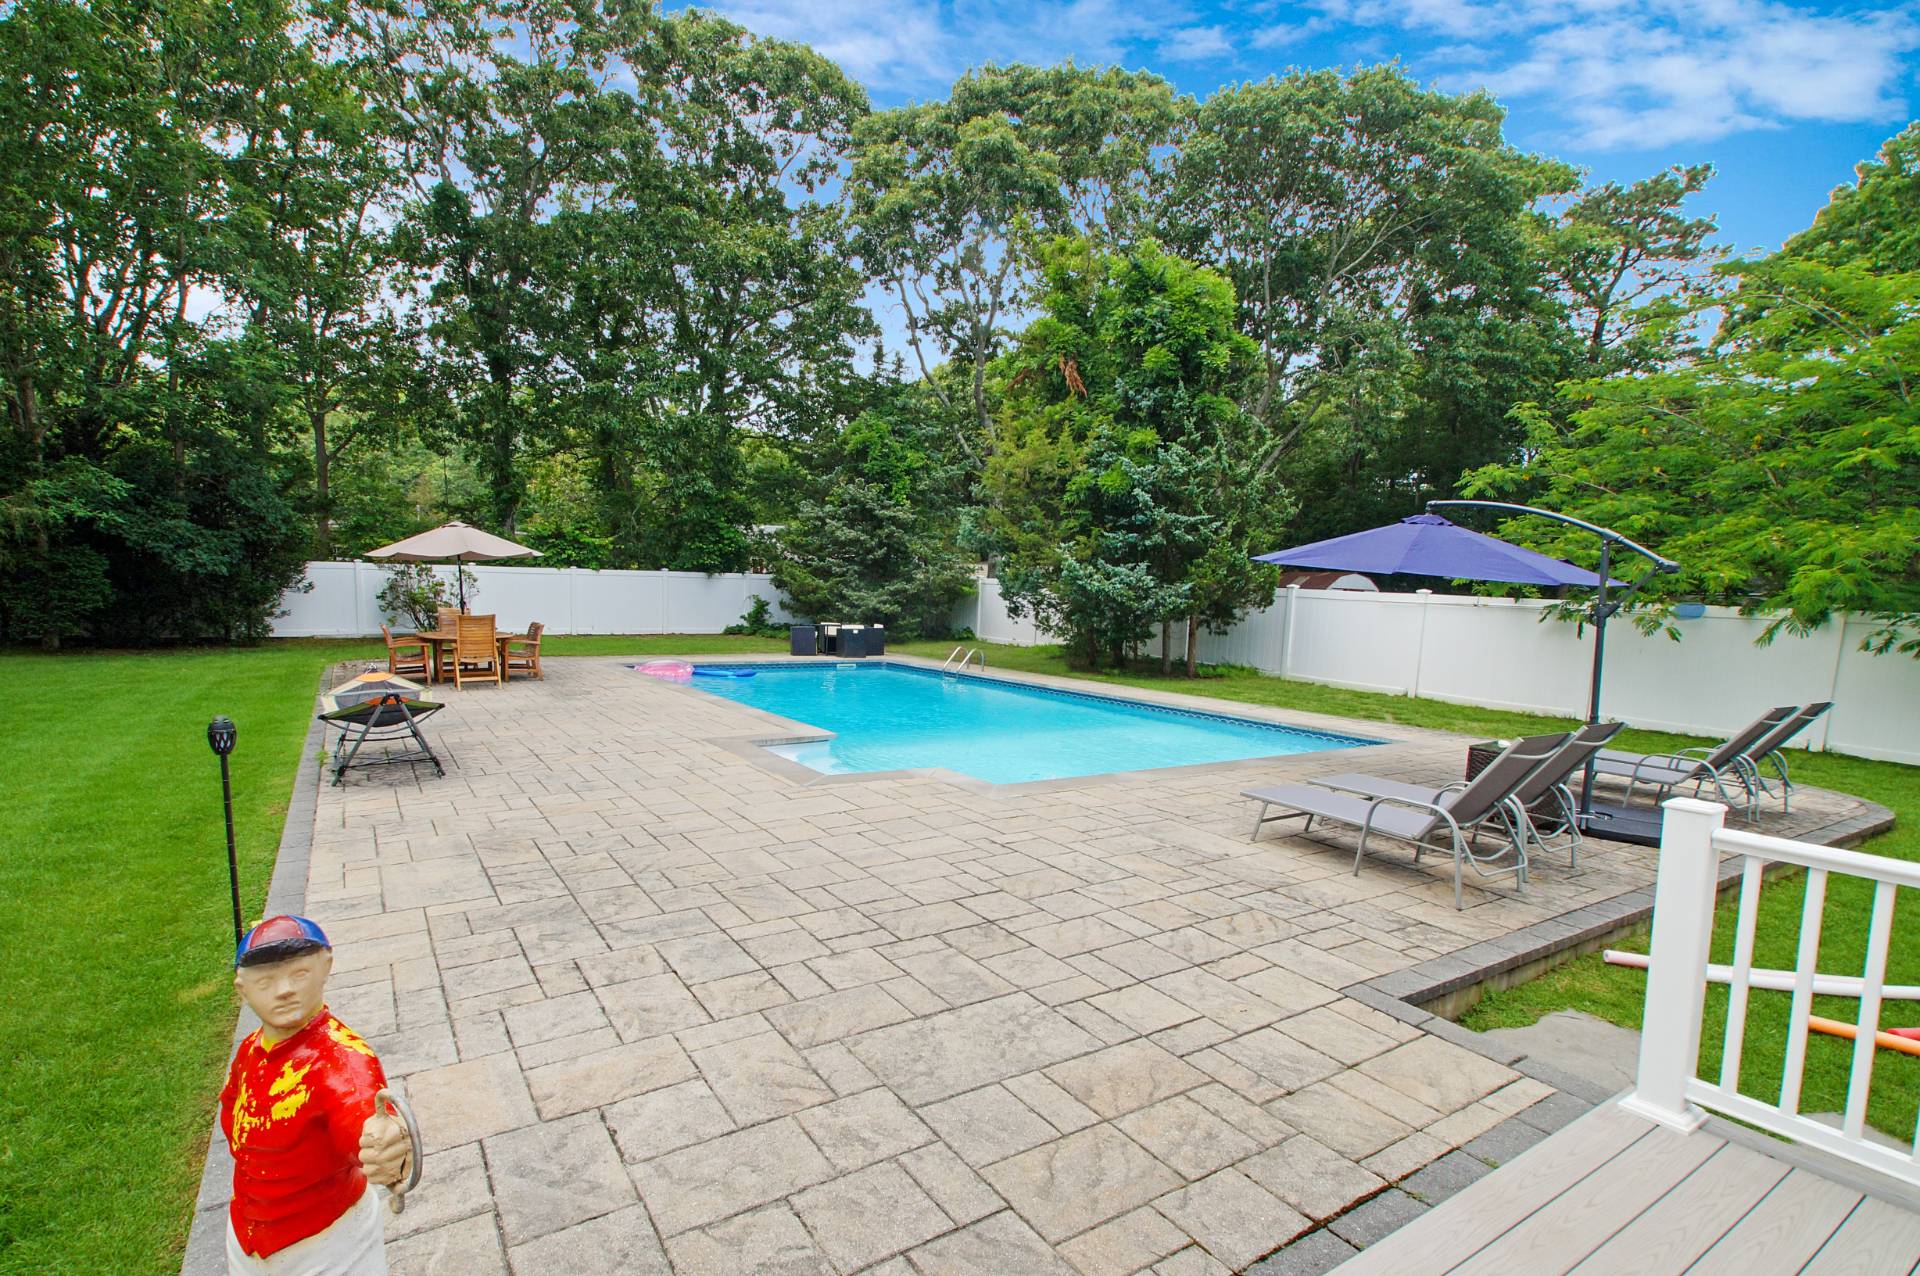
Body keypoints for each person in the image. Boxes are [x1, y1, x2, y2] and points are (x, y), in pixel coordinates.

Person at [221, 916, 412, 1275]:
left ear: (325, 968)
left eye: (299, 974)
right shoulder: (250, 1050)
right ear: (243, 990)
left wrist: (383, 1143)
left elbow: (361, 1112)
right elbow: (233, 1111)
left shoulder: (340, 1059)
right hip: (249, 1236)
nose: (284, 990)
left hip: (324, 1241)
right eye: (265, 981)